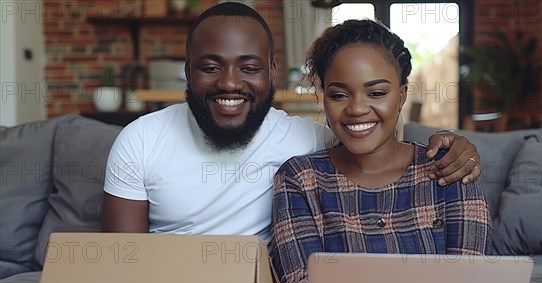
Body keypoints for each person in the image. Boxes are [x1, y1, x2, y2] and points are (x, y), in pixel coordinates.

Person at [101, 2, 482, 244]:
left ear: (271, 72)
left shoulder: (309, 142)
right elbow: (124, 263)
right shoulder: (141, 140)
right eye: (210, 67)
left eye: (248, 68)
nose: (230, 83)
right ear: (187, 71)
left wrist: (453, 145)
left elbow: (375, 147)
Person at [270, 19, 493, 283]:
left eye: (376, 93)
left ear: (401, 95)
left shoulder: (449, 170)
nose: (357, 109)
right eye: (338, 95)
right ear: (323, 97)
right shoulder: (299, 181)